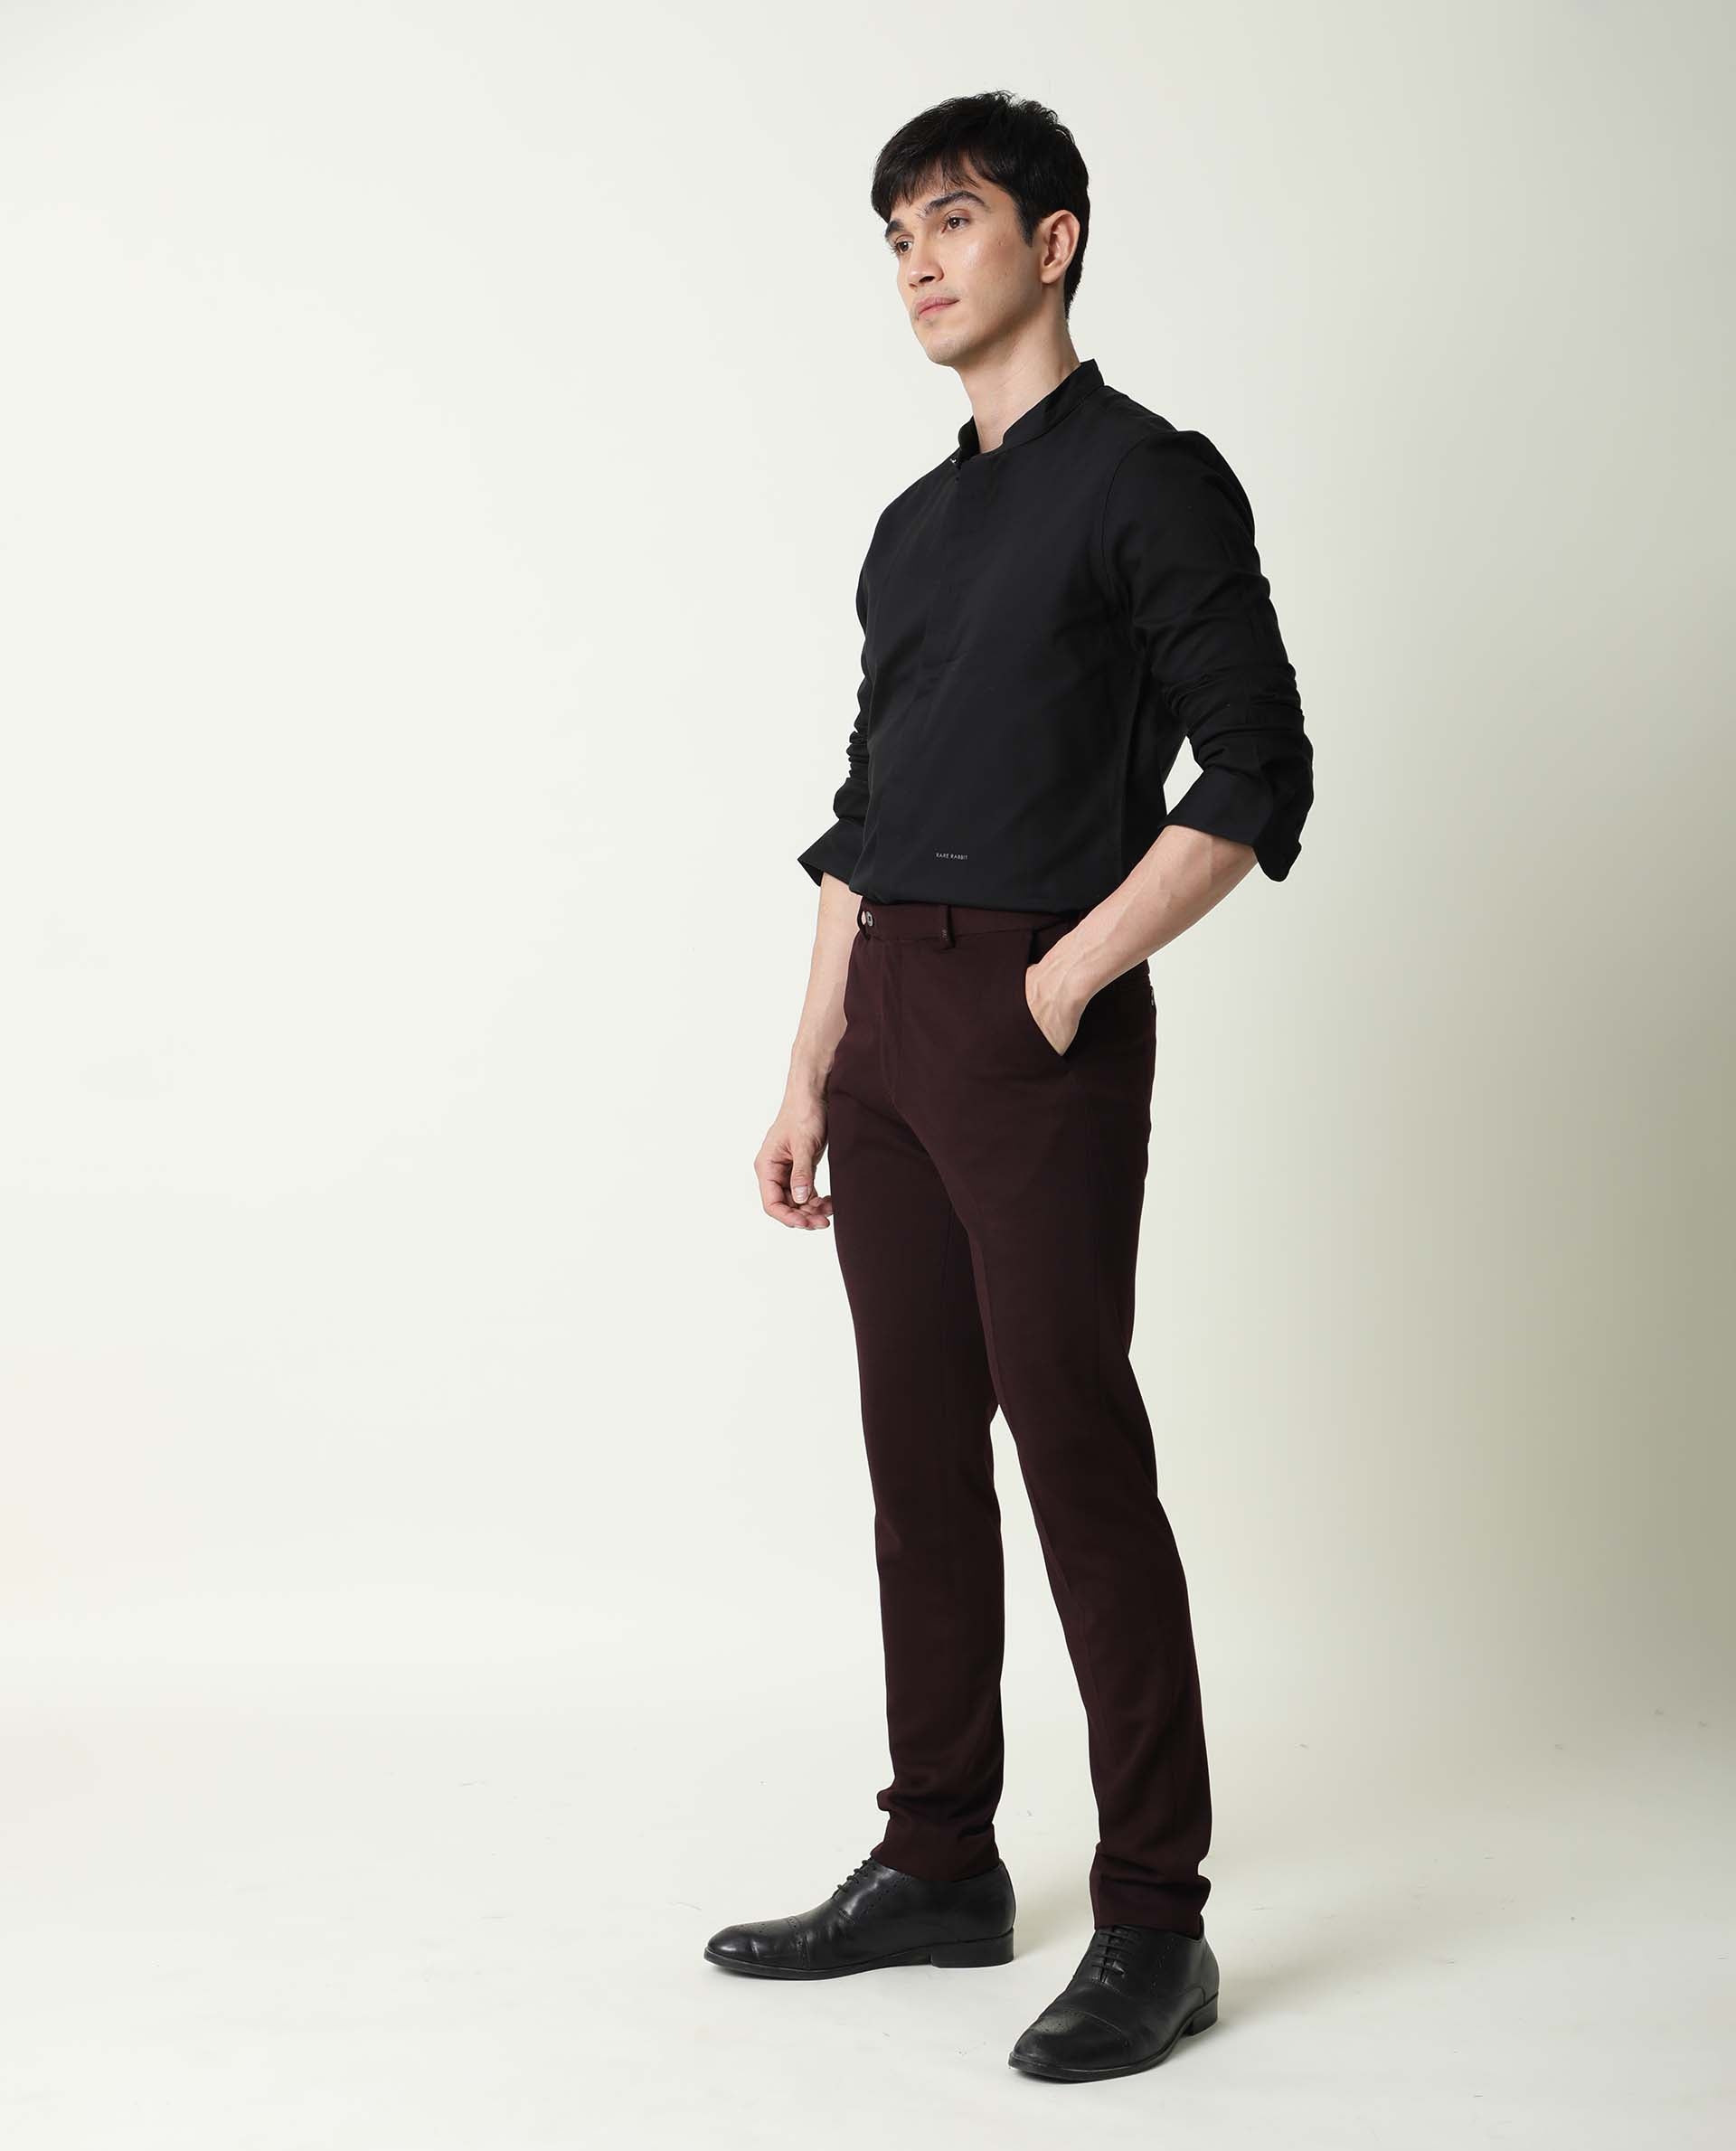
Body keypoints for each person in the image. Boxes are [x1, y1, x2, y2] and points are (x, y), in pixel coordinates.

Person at [710, 90, 1315, 2085]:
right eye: (896, 232)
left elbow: (1257, 768)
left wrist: (1063, 975)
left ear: (1054, 242)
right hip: (890, 1020)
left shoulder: (1152, 482)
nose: (915, 259)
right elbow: (863, 816)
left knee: (1076, 1453)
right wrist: (811, 1066)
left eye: (952, 219)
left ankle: (1155, 1917)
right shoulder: (911, 529)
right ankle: (940, 1860)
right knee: (915, 1455)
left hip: (1033, 1020)